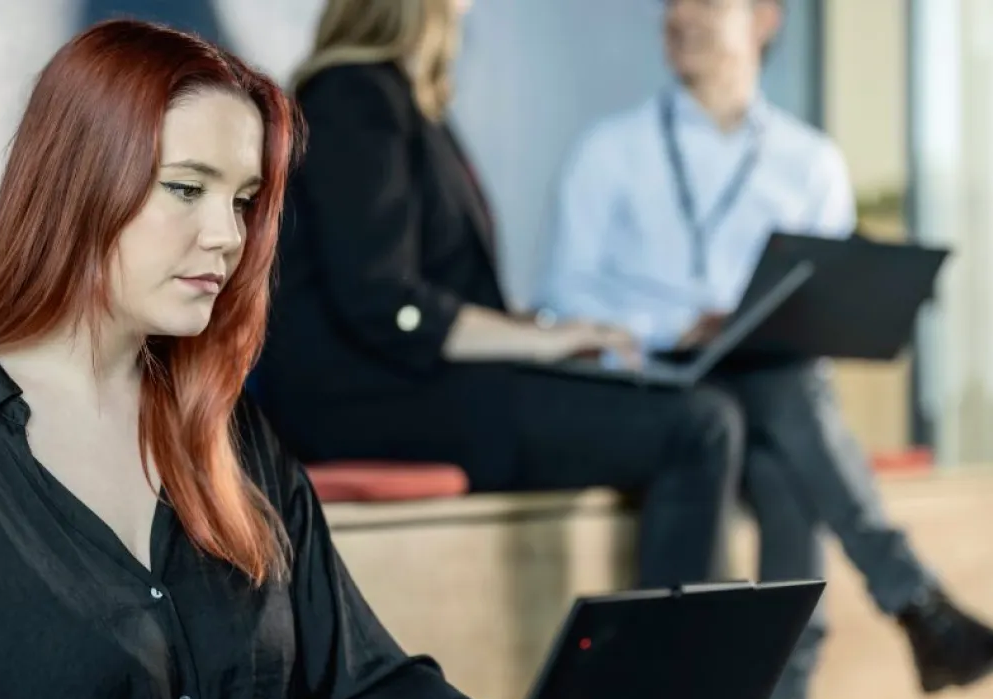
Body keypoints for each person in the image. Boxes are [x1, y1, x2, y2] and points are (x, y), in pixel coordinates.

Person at [0, 19, 729, 699]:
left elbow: (365, 696)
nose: (227, 238)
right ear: (80, 180)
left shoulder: (230, 435)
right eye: (187, 190)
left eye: (243, 200)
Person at [532, 0, 993, 699]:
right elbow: (560, 299)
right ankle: (892, 630)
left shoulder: (810, 162)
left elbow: (825, 310)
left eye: (705, 1)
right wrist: (682, 324)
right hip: (656, 385)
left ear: (764, 18)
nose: (680, 15)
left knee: (783, 450)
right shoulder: (611, 151)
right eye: (672, 3)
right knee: (789, 406)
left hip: (768, 397)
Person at [255, 0, 743, 596]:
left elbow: (428, 294)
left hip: (412, 384)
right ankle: (674, 687)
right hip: (367, 400)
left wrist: (552, 336)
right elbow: (384, 301)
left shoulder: (403, 98)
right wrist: (542, 341)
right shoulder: (354, 95)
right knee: (699, 425)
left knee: (699, 406)